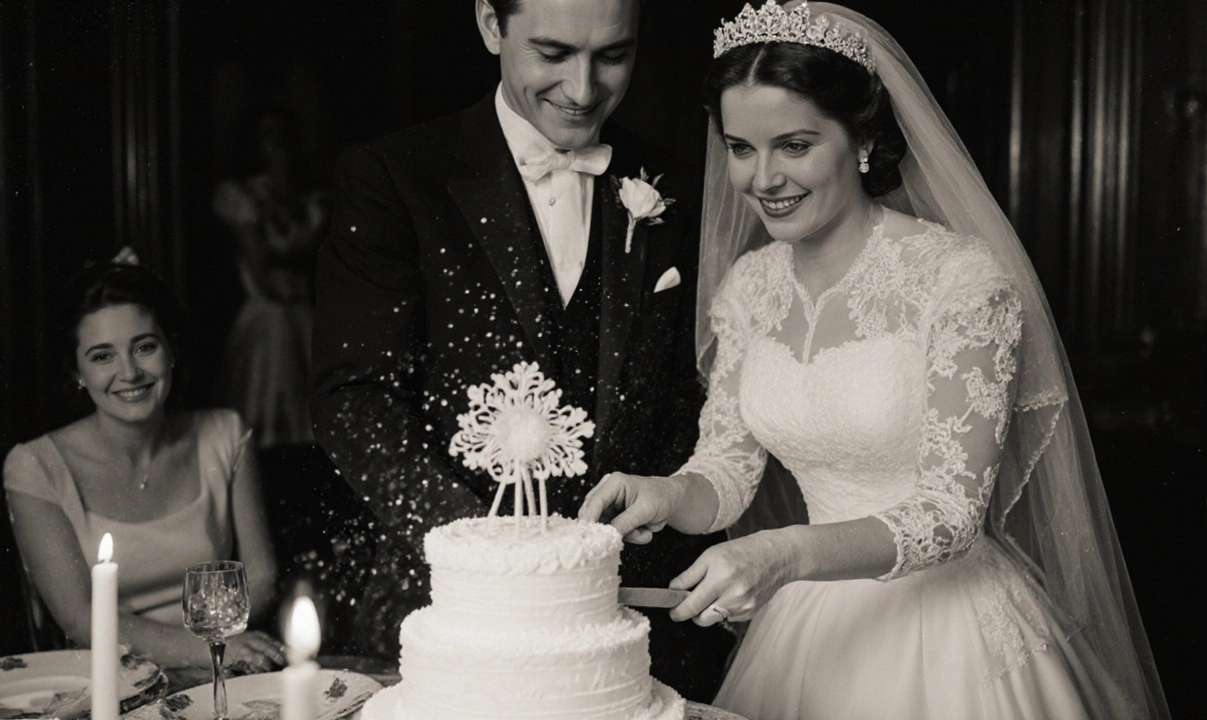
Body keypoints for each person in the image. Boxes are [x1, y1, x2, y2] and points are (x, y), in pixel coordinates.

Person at [579, 2, 1170, 717]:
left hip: (949, 640)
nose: (762, 178)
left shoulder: (959, 280)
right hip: (806, 631)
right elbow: (728, 470)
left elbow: (952, 515)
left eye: (794, 145)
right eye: (741, 148)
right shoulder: (752, 284)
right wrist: (668, 494)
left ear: (861, 138)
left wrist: (784, 555)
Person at [309, 0, 732, 699]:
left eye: (612, 55)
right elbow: (353, 400)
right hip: (456, 613)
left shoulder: (679, 187)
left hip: (632, 635)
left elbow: (696, 387)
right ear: (489, 24)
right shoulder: (393, 177)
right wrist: (496, 560)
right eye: (554, 53)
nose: (584, 88)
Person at [4, 249, 284, 671]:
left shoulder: (225, 434)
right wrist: (205, 649)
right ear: (77, 372)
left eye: (144, 347)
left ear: (171, 350)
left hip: (229, 664)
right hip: (112, 681)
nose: (130, 372)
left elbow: (261, 578)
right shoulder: (34, 466)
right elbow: (81, 618)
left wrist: (219, 654)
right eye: (102, 356)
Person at [213, 105, 328, 448]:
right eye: (267, 135)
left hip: (305, 311)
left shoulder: (312, 196)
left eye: (283, 134)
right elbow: (259, 263)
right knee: (268, 404)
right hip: (269, 311)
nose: (277, 144)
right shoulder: (243, 196)